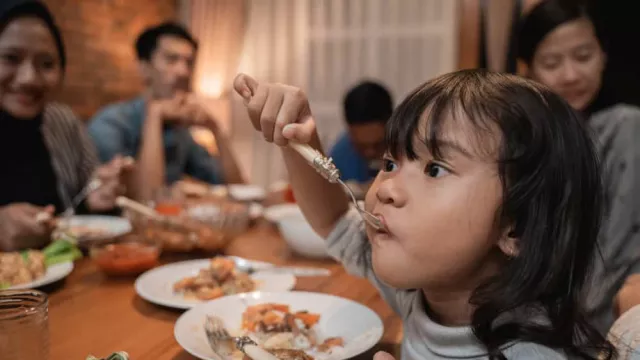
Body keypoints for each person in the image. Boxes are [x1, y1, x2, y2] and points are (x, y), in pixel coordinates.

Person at [233, 69, 616, 359]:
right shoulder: (425, 293)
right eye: (390, 162)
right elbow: (335, 220)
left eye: (434, 169)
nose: (385, 188)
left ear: (517, 227)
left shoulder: (531, 352)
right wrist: (299, 141)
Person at [517, 0, 640, 335]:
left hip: (614, 324)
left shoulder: (627, 128)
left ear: (603, 56)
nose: (571, 74)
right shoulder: (520, 145)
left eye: (584, 56)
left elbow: (612, 257)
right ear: (527, 69)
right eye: (552, 62)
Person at [0, 0, 132, 251]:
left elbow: (82, 204)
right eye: (10, 58)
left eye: (46, 64)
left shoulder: (63, 121)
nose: (29, 78)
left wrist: (98, 198)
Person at [88, 22, 244, 202]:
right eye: (171, 60)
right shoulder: (110, 123)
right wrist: (154, 115)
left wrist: (215, 128)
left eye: (189, 63)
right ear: (144, 67)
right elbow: (147, 201)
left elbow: (238, 189)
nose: (183, 71)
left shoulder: (179, 131)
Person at [329, 81, 392, 186]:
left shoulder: (408, 151)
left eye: (378, 144)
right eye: (361, 146)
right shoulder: (340, 154)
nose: (370, 152)